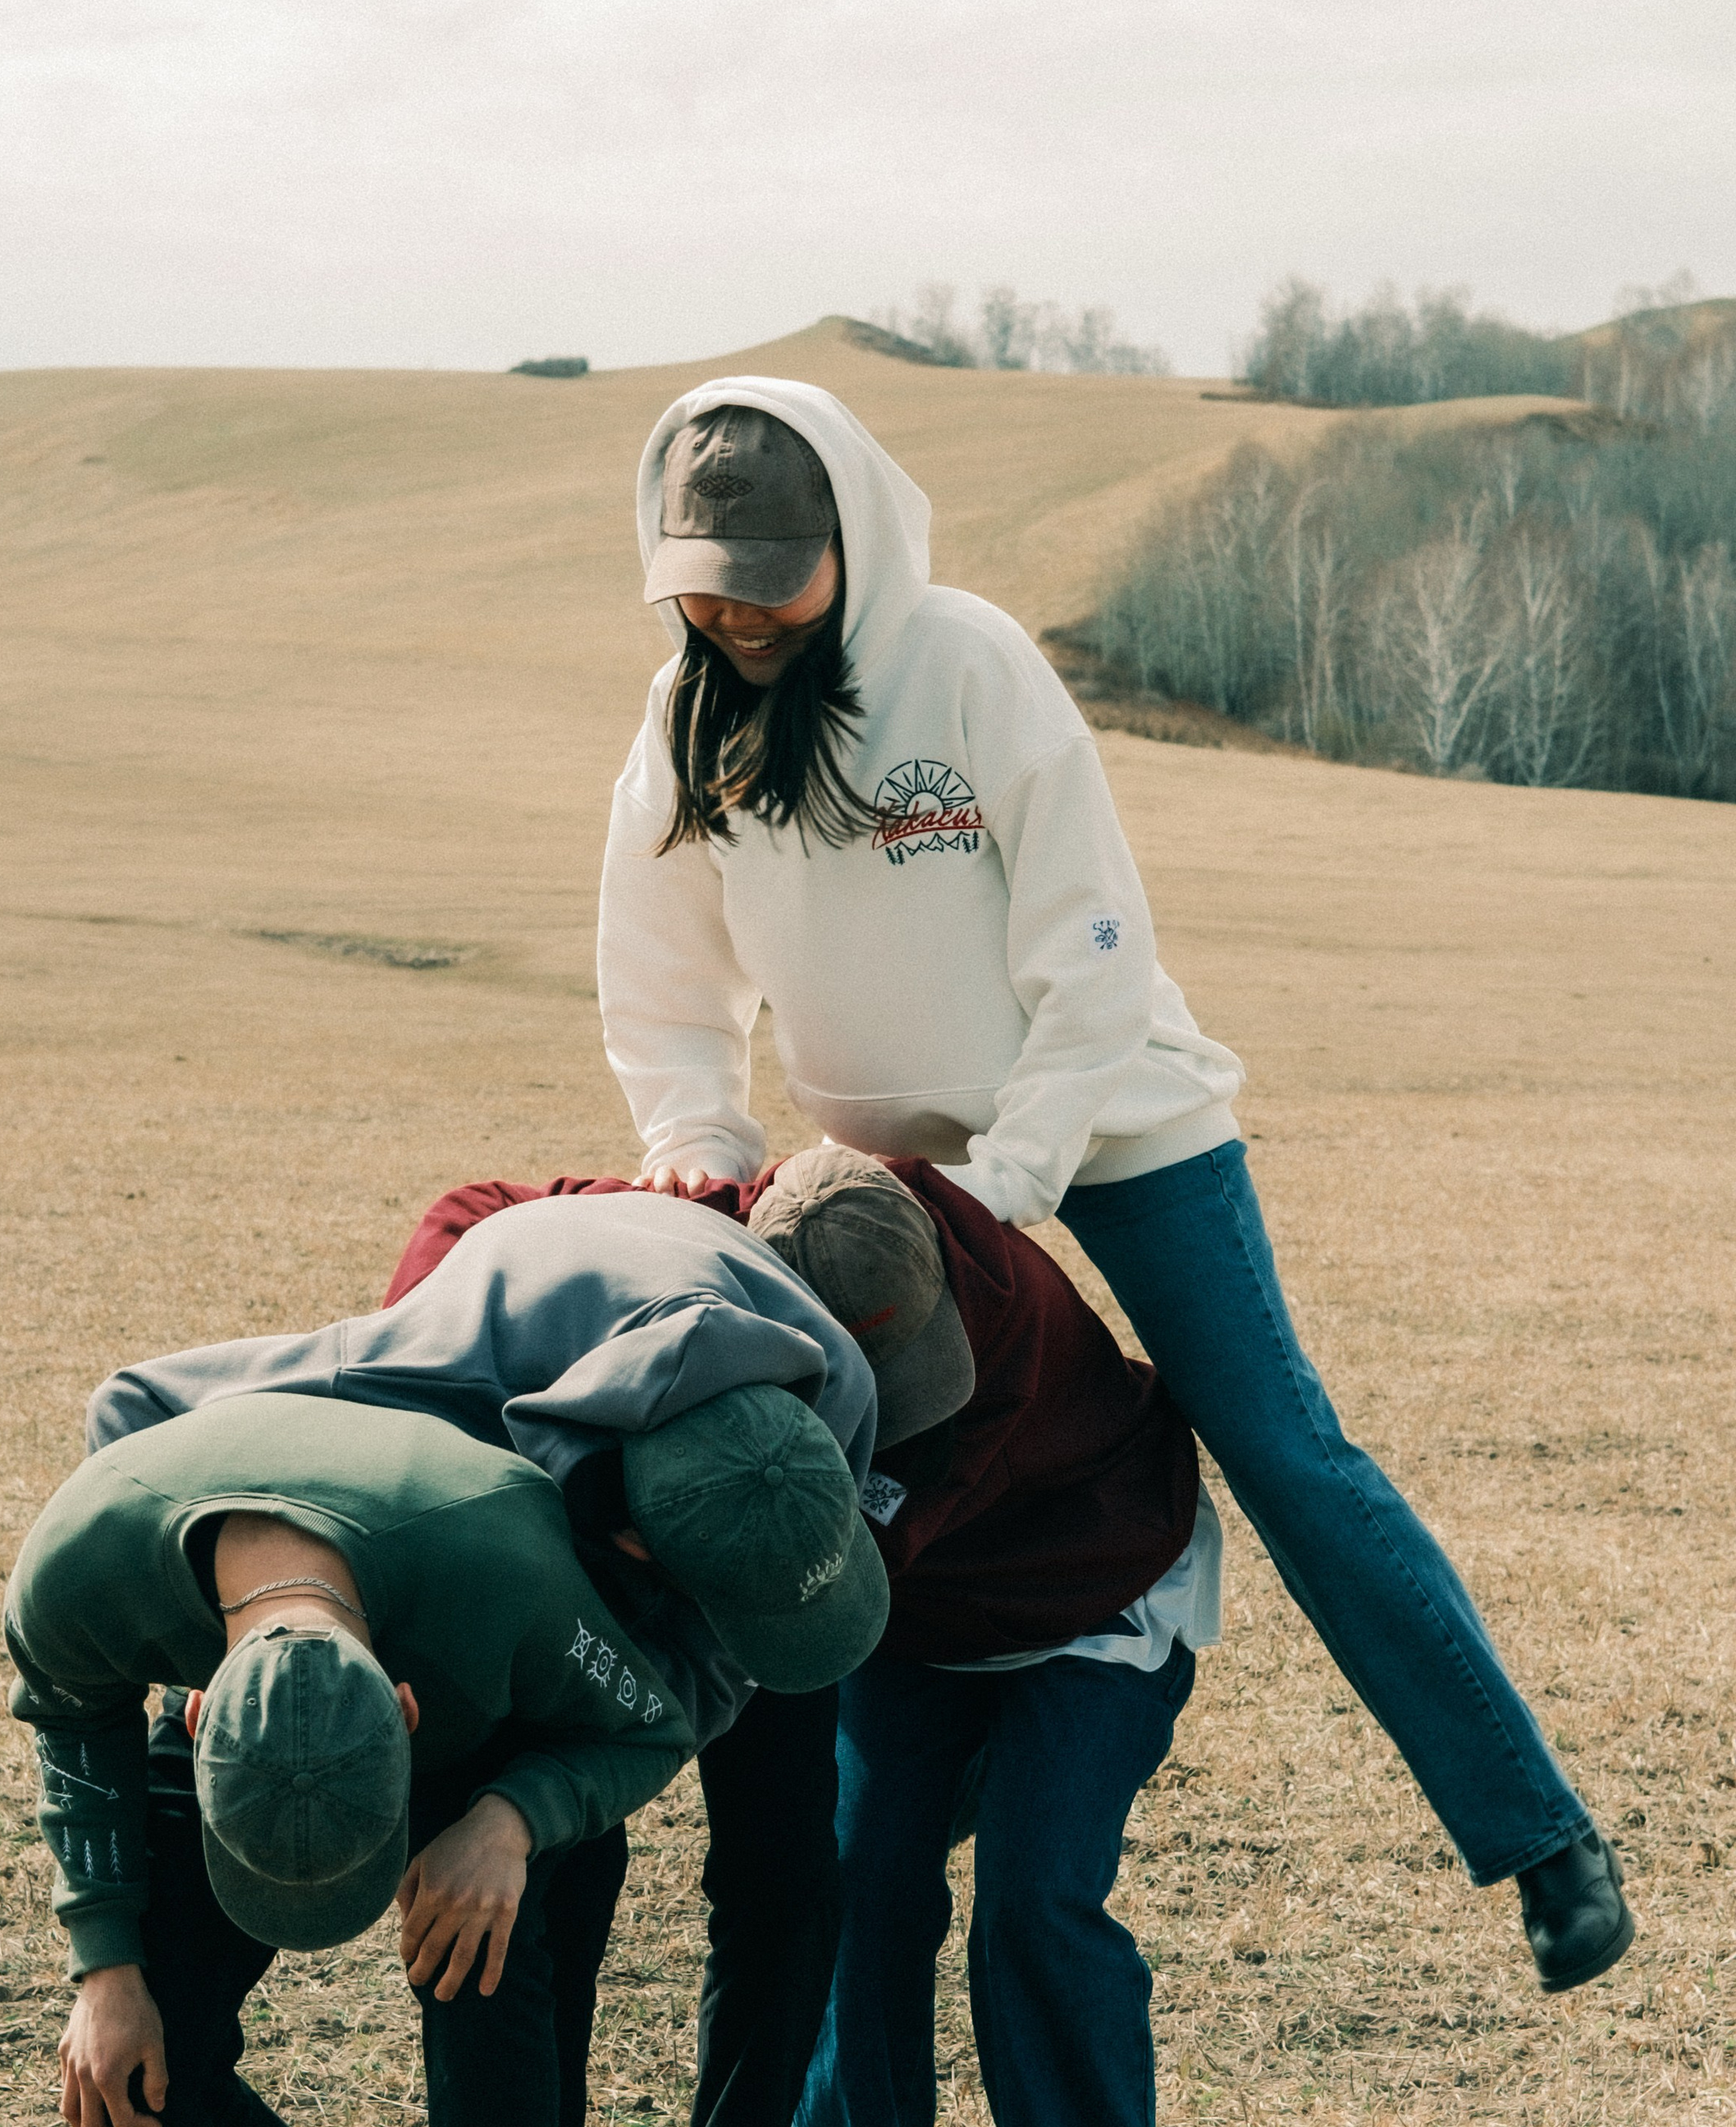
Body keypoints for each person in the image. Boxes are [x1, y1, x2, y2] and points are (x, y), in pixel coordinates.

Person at [596, 381, 1633, 1993]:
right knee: (886, 1480)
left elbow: (1090, 945)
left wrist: (1016, 1175)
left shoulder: (965, 664)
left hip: (1107, 1123)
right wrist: (701, 1142)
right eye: (703, 576)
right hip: (888, 1175)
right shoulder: (687, 715)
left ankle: (1537, 1833)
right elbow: (662, 982)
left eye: (770, 572)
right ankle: (920, 1805)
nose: (734, 607)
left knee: (1284, 1451)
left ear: (851, 539)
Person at [386, 1152, 1207, 2127]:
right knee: (803, 1878)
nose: (873, 1403)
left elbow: (816, 1594)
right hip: (743, 1541)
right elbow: (469, 1209)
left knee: (921, 1896)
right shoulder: (710, 1226)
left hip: (1010, 1583)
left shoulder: (987, 1350)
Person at [89, 1187, 916, 2127]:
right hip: (506, 1497)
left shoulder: (829, 1391)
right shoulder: (430, 1395)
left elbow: (688, 1700)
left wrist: (524, 1815)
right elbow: (133, 1414)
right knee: (486, 1905)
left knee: (785, 1881)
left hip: (752, 1507)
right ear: (621, 1546)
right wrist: (231, 1656)